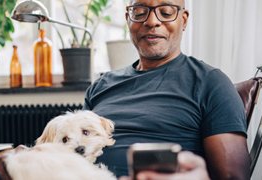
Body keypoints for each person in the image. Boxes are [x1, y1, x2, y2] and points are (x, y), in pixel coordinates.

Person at [83, 0, 250, 179]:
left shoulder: (211, 83)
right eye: (140, 12)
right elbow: (69, 149)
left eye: (166, 12)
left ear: (183, 20)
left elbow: (234, 177)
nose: (151, 21)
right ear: (128, 19)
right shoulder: (100, 86)